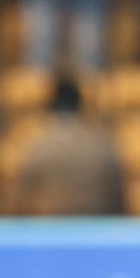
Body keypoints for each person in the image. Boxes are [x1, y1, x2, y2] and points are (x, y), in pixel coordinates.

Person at [15, 76, 126, 215]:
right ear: (81, 106)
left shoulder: (38, 146)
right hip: (93, 227)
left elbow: (20, 201)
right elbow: (119, 200)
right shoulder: (103, 144)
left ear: (51, 106)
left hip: (50, 228)